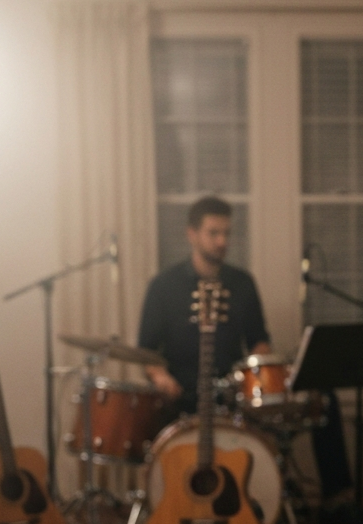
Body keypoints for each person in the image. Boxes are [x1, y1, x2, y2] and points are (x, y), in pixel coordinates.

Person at [138, 195, 352, 502]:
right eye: (214, 233)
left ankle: (337, 499)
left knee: (324, 397)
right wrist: (161, 379)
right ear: (192, 234)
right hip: (182, 393)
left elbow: (258, 340)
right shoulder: (163, 286)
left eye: (227, 233)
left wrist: (264, 374)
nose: (222, 241)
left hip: (233, 389)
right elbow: (146, 351)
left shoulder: (242, 282)